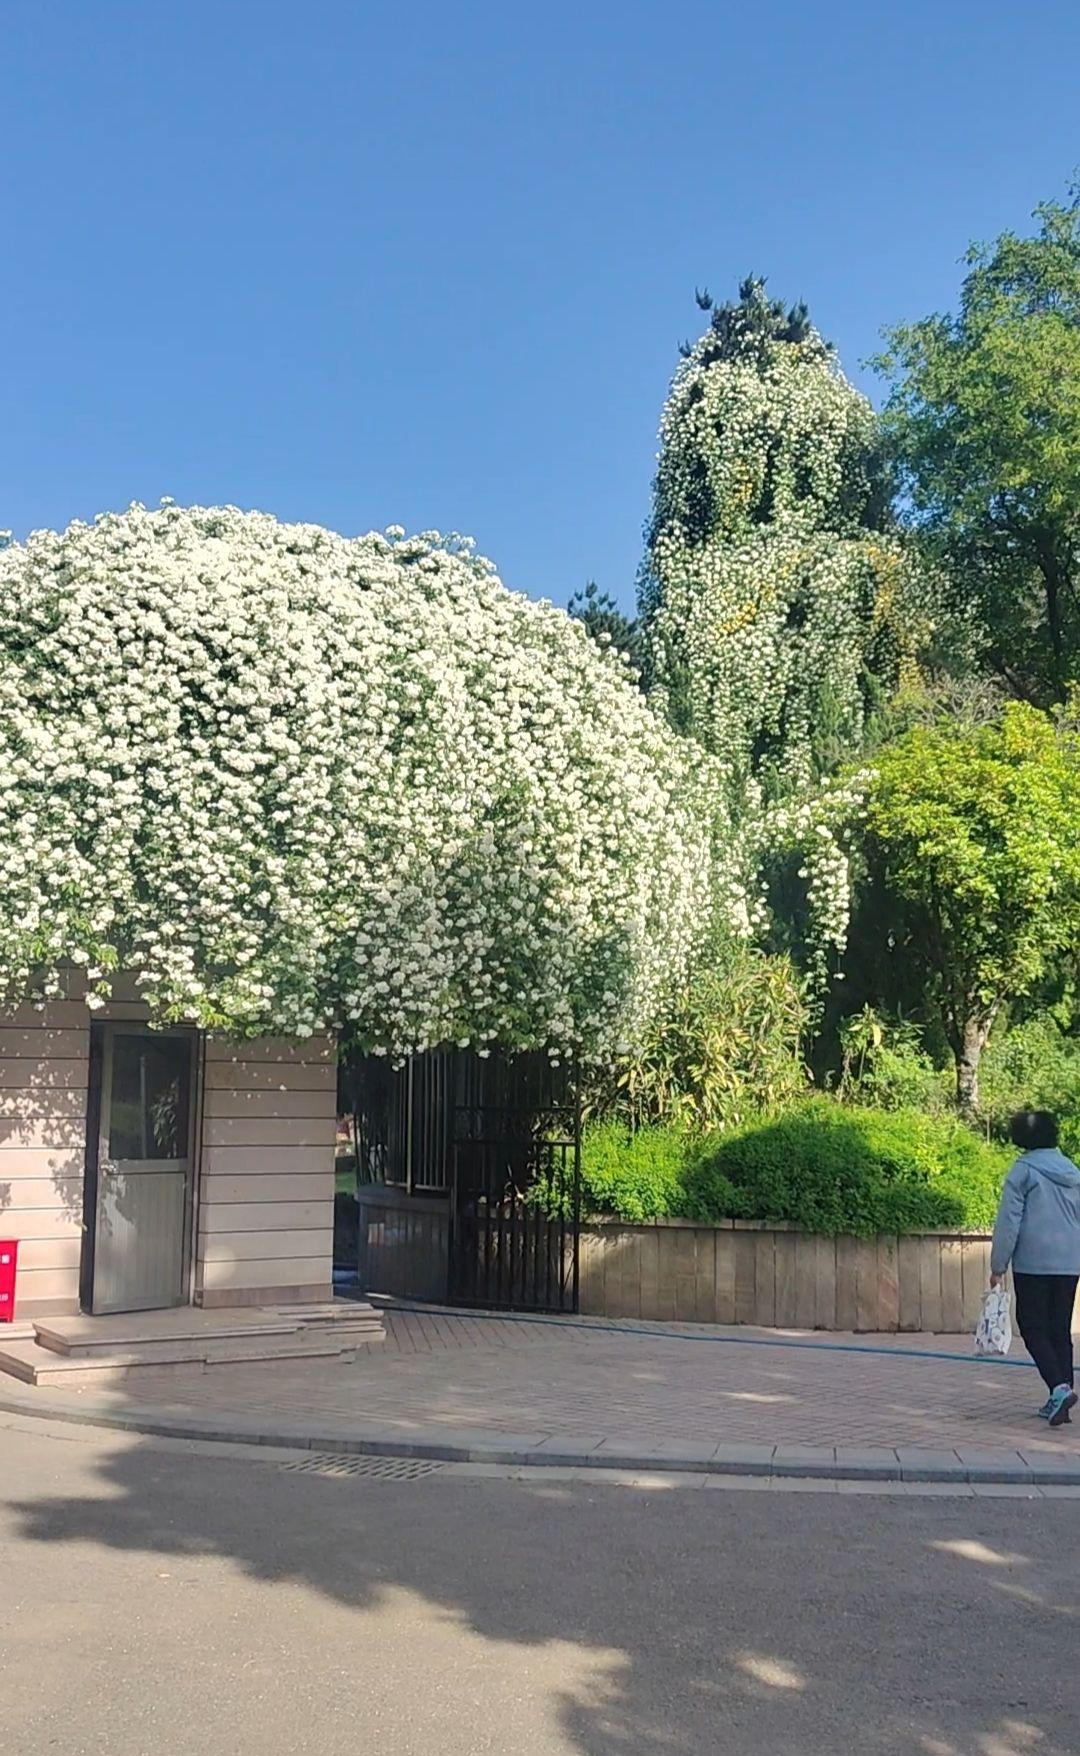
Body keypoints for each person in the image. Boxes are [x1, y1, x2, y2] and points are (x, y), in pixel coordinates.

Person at [990, 1111, 1080, 1427]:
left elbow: (1009, 1222)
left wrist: (998, 1264)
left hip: (1033, 1263)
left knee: (1031, 1326)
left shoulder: (1022, 1172)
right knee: (1059, 1330)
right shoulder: (1072, 1170)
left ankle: (1059, 1389)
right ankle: (1061, 1403)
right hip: (1070, 1262)